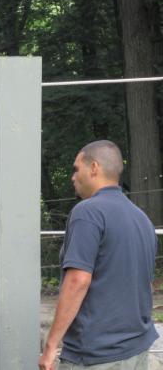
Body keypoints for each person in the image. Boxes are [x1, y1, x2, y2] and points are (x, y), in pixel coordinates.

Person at [39, 140, 158, 370]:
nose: (73, 177)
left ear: (94, 167)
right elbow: (146, 284)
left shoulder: (88, 212)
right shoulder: (142, 219)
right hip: (137, 352)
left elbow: (78, 280)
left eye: (76, 169)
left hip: (96, 357)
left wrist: (51, 346)